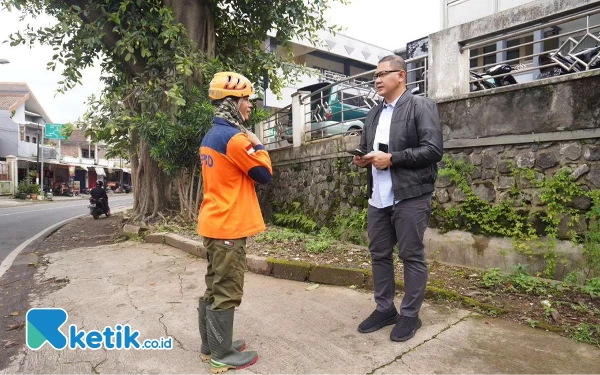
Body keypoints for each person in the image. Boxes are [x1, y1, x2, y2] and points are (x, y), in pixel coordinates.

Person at [353, 55, 443, 342]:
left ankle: (409, 315)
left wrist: (393, 159)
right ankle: (384, 309)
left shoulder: (420, 106)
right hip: (378, 197)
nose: (377, 80)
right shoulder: (373, 114)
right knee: (379, 255)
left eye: (383, 74)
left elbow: (433, 150)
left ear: (401, 75)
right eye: (375, 76)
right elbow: (368, 148)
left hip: (410, 196)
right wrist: (363, 158)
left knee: (411, 256)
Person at [197, 71, 272, 373]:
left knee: (214, 286)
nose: (250, 105)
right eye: (246, 100)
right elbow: (264, 175)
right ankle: (222, 355)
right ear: (232, 102)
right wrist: (259, 144)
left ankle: (210, 345)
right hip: (229, 226)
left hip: (213, 222)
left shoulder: (210, 136)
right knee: (228, 288)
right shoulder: (235, 139)